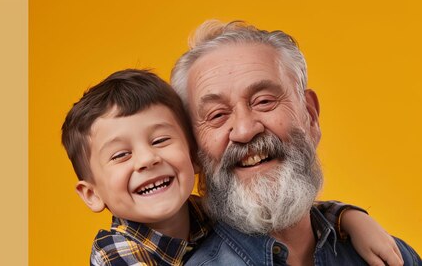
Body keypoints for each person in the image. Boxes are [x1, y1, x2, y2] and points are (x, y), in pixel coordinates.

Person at [61, 69, 404, 265]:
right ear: (91, 194)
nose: (147, 159)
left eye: (160, 141)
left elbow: (289, 210)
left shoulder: (204, 212)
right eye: (121, 155)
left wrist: (351, 218)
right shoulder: (115, 253)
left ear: (194, 155)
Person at [170, 19, 422, 265]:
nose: (245, 130)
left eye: (264, 101)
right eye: (217, 115)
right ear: (193, 152)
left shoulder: (393, 257)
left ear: (310, 116)